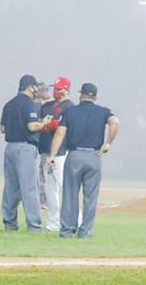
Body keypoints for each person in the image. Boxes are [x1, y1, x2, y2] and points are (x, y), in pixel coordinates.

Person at [48, 82, 119, 238]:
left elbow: (60, 133)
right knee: (90, 197)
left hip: (74, 155)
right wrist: (108, 143)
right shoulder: (103, 112)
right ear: (95, 96)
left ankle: (67, 230)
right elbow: (115, 122)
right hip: (94, 156)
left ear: (81, 95)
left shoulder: (70, 112)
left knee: (70, 194)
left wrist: (52, 156)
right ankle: (85, 231)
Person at [0, 74, 52, 231]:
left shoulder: (8, 104)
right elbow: (32, 126)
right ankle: (34, 224)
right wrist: (44, 123)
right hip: (26, 148)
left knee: (10, 187)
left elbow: (2, 129)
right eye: (35, 87)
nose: (36, 90)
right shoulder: (29, 104)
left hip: (10, 147)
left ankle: (9, 223)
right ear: (30, 87)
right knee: (30, 187)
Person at [39, 76, 75, 232]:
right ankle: (54, 222)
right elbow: (41, 123)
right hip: (46, 149)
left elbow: (66, 128)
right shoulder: (46, 106)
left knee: (64, 185)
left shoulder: (70, 107)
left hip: (62, 151)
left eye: (59, 89)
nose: (56, 91)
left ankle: (76, 220)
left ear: (67, 90)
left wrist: (51, 124)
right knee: (49, 188)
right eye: (55, 88)